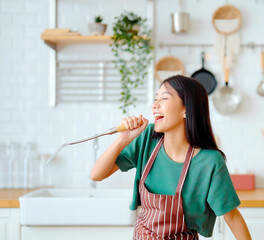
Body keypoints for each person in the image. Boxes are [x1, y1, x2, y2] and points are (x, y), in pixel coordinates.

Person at [90, 75, 251, 239]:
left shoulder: (210, 162)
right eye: (155, 99)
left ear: (186, 109)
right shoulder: (147, 139)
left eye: (164, 98)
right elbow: (97, 174)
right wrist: (122, 140)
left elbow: (231, 216)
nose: (155, 105)